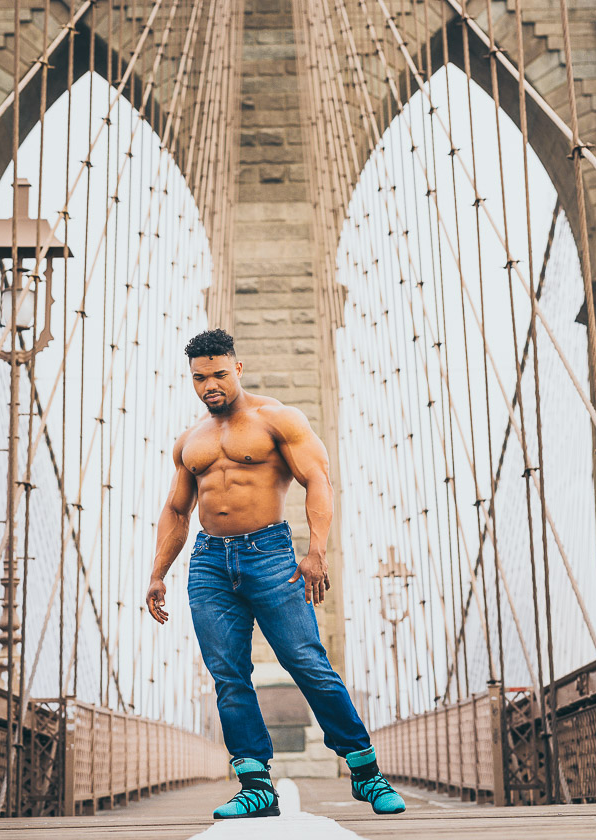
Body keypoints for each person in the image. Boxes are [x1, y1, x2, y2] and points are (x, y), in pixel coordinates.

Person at [145, 328, 405, 820]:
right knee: (228, 675)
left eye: (219, 374)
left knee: (307, 662)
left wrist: (317, 550)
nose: (210, 385)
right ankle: (256, 785)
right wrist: (159, 572)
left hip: (270, 555)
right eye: (200, 378)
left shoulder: (278, 419)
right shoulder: (190, 440)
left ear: (237, 369)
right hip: (207, 563)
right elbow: (177, 511)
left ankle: (366, 773)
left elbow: (317, 480)